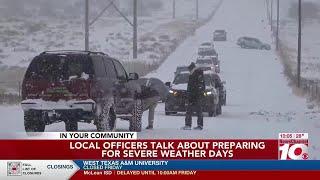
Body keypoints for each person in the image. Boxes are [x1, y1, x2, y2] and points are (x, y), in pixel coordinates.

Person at [182, 62, 206, 130]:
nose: (189, 71)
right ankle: (190, 125)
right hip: (194, 95)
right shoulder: (194, 74)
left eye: (189, 69)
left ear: (192, 68)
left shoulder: (197, 74)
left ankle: (195, 125)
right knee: (194, 111)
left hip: (196, 96)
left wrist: (193, 95)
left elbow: (198, 86)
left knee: (195, 111)